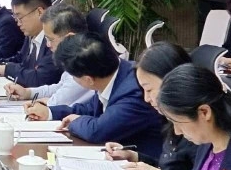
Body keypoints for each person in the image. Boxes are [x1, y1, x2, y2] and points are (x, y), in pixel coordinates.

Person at [28, 32, 164, 162]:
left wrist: (75, 121)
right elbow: (89, 109)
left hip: (149, 166)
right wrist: (49, 112)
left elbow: (97, 131)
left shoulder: (134, 91)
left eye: (73, 77)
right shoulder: (112, 74)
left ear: (88, 80)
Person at [104, 42, 197, 170]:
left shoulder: (198, 126)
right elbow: (169, 167)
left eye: (149, 89)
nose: (146, 98)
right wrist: (133, 156)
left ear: (173, 80)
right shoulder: (170, 121)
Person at [1, 4, 94, 107]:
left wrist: (36, 103)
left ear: (70, 38)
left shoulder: (85, 66)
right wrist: (27, 92)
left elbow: (57, 102)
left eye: (51, 39)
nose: (48, 44)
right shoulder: (76, 60)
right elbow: (59, 88)